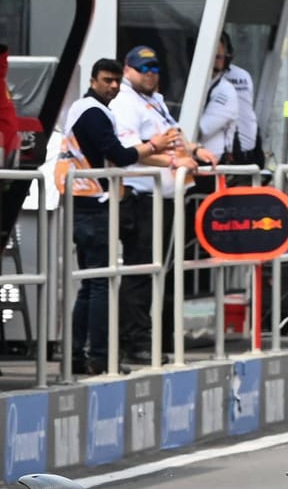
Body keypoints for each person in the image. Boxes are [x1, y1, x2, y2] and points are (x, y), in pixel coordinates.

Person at [56, 59, 175, 374]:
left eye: (116, 81)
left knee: (90, 283)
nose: (112, 86)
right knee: (99, 284)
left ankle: (77, 356)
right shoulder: (92, 112)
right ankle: (98, 356)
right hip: (92, 205)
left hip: (86, 202)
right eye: (107, 80)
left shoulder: (89, 110)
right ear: (93, 80)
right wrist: (154, 146)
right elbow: (120, 156)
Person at [110, 45, 207, 361]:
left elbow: (173, 136)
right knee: (140, 271)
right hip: (142, 197)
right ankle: (132, 342)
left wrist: (194, 151)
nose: (150, 74)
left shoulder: (154, 100)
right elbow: (129, 151)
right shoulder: (126, 103)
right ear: (128, 71)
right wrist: (172, 163)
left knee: (156, 272)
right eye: (143, 69)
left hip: (164, 197)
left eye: (154, 69)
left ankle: (148, 337)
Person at [216, 32, 259, 165]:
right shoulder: (243, 74)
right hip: (251, 147)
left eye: (219, 56)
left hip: (232, 151)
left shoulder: (218, 79)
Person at [196, 38, 240, 166]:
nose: (214, 61)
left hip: (213, 163)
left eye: (218, 57)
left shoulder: (226, 91)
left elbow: (203, 129)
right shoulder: (190, 85)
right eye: (211, 56)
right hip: (191, 159)